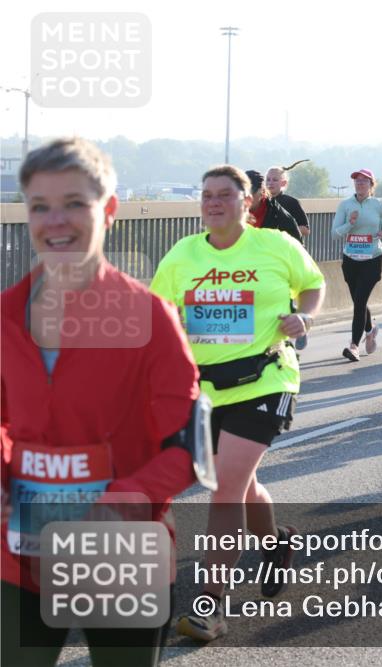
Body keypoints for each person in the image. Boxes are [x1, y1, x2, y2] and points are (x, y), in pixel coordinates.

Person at [2, 138, 201, 666]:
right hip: (17, 558)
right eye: (40, 206)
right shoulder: (4, 315)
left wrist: (122, 501)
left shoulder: (151, 317)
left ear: (108, 210)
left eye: (74, 203)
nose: (55, 221)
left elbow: (187, 446)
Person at [152, 164, 325, 641]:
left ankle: (211, 609)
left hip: (267, 377)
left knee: (225, 485)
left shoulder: (275, 246)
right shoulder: (182, 255)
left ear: (246, 203)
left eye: (225, 195)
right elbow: (159, 314)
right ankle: (274, 545)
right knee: (241, 483)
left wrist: (303, 317)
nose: (213, 202)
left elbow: (313, 285)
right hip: (205, 387)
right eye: (206, 195)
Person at [331, 168, 382, 361]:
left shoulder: (378, 205)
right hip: (351, 259)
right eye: (357, 181)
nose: (360, 184)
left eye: (364, 181)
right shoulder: (345, 205)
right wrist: (349, 224)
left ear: (371, 185)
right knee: (358, 301)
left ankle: (353, 346)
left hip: (372, 258)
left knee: (360, 301)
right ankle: (370, 330)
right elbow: (335, 234)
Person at [245, 170, 302, 243]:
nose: (247, 196)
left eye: (251, 191)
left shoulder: (280, 217)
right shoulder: (232, 214)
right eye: (242, 192)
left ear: (262, 191)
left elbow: (298, 248)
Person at [265, 160, 311, 237]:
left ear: (284, 183)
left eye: (275, 180)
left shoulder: (291, 202)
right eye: (268, 179)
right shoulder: (260, 202)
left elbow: (306, 230)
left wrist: (283, 232)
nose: (270, 183)